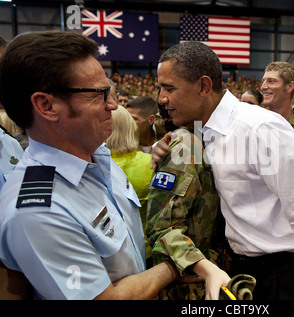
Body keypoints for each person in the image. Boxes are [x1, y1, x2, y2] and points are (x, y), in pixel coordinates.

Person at [155, 41, 294, 300]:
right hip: (241, 270)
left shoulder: (259, 129)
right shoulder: (200, 130)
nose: (162, 98)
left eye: (169, 88)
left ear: (203, 86)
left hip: (284, 274)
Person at [0, 30, 178, 300]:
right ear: (47, 106)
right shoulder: (39, 210)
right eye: (99, 94)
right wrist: (175, 263)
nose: (113, 105)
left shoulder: (98, 157)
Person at [146, 103, 230, 300]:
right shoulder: (187, 143)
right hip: (190, 282)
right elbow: (162, 228)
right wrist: (204, 267)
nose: (163, 98)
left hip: (209, 272)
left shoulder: (207, 140)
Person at [105, 105, 153, 264]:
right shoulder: (150, 164)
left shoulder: (93, 165)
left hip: (108, 256)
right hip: (147, 250)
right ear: (130, 128)